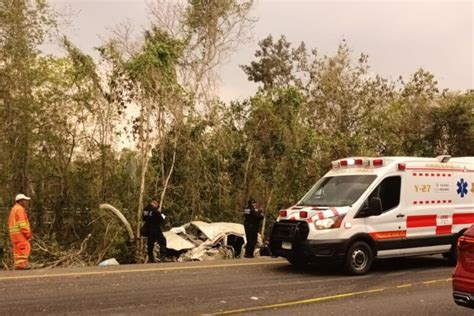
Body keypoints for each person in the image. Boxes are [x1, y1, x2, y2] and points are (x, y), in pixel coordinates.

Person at [8, 194, 33, 270]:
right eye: (25, 201)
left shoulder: (14, 209)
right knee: (25, 247)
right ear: (21, 201)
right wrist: (28, 234)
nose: (26, 203)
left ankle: (18, 264)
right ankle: (21, 265)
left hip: (14, 234)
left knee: (18, 249)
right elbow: (22, 224)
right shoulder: (20, 209)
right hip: (20, 234)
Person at [142, 198, 169, 263]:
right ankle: (163, 256)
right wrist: (163, 215)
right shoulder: (155, 210)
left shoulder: (145, 209)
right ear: (155, 203)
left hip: (148, 229)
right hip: (156, 228)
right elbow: (161, 219)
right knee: (162, 241)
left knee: (150, 244)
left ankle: (150, 258)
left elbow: (144, 218)